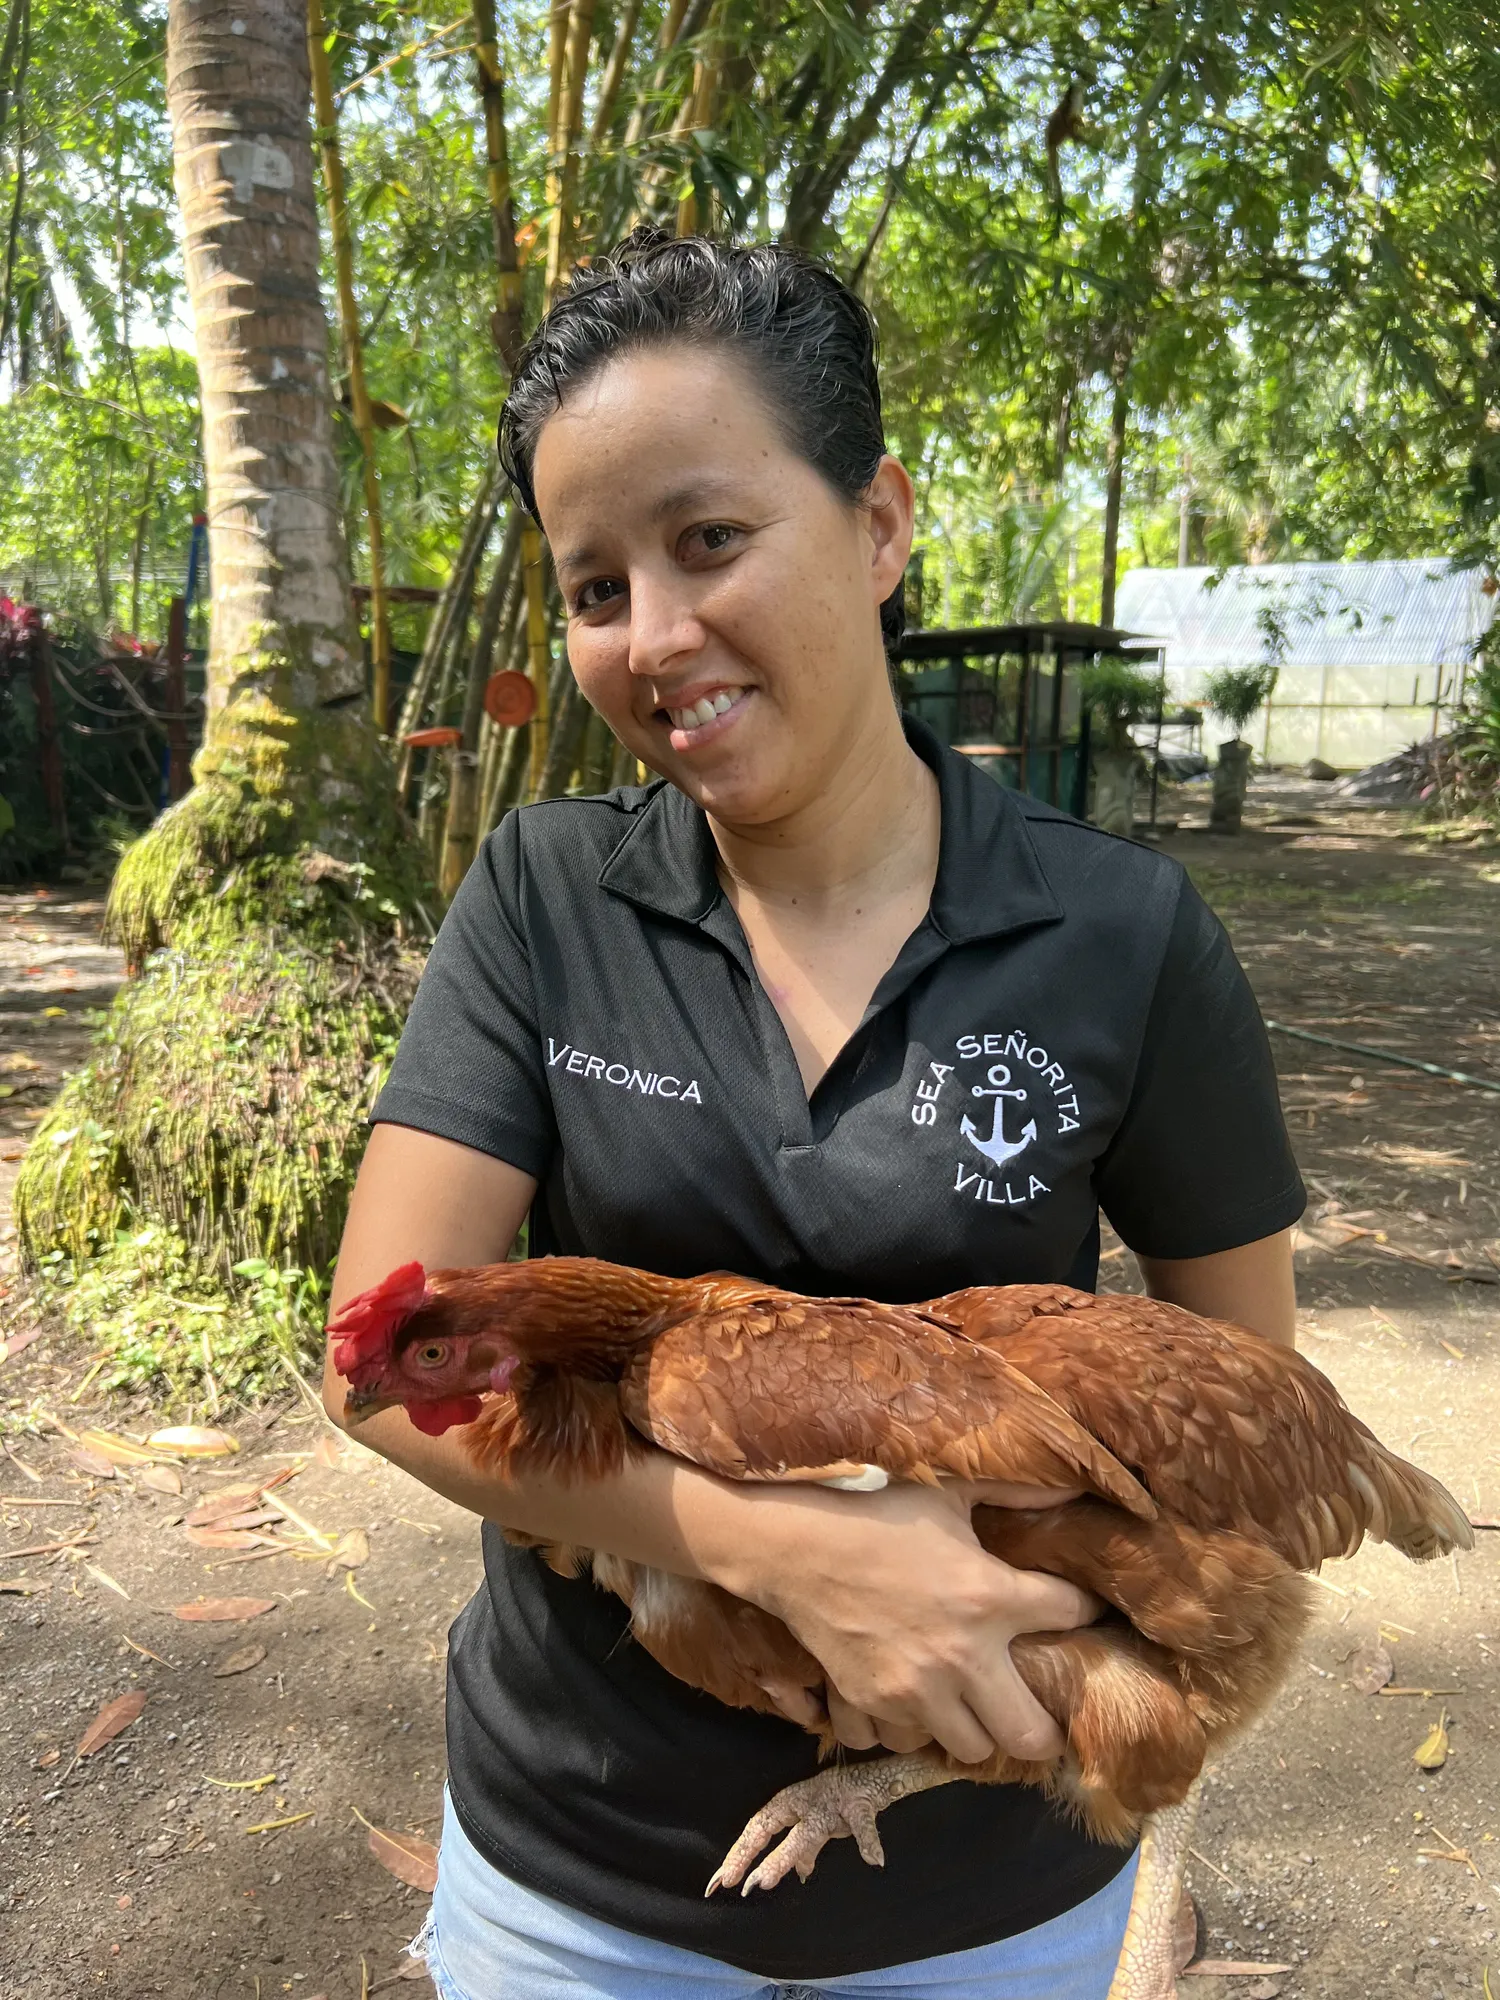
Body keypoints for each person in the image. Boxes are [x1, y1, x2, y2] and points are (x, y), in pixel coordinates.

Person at [323, 228, 1305, 2000]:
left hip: (986, 1899)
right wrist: (788, 1546)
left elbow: (1264, 1436)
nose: (656, 636)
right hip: (580, 1876)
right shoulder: (545, 895)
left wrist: (1041, 1662)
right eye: (595, 583)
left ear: (878, 526)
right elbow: (379, 1367)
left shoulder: (1123, 936)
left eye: (710, 540)